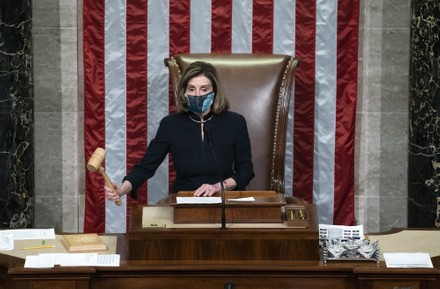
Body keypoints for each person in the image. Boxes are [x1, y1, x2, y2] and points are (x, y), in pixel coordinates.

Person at [105, 61, 254, 202]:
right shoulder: (170, 124)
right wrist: (122, 189)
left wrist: (218, 186)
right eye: (191, 89)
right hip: (186, 198)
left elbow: (246, 171)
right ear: (184, 93)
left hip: (224, 197)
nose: (197, 94)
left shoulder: (235, 122)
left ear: (214, 91)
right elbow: (146, 166)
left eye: (204, 89)